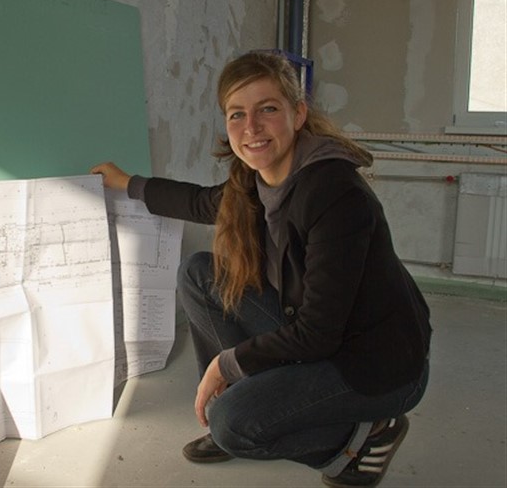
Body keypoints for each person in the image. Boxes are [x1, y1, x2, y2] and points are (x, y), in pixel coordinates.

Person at [91, 51, 431, 488]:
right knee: (199, 273)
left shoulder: (335, 194)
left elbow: (317, 333)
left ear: (298, 114)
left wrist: (227, 365)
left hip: (376, 365)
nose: (250, 127)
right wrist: (127, 183)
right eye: (237, 114)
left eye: (267, 109)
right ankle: (235, 408)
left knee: (234, 425)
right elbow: (201, 202)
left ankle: (365, 438)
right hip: (323, 335)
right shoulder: (257, 180)